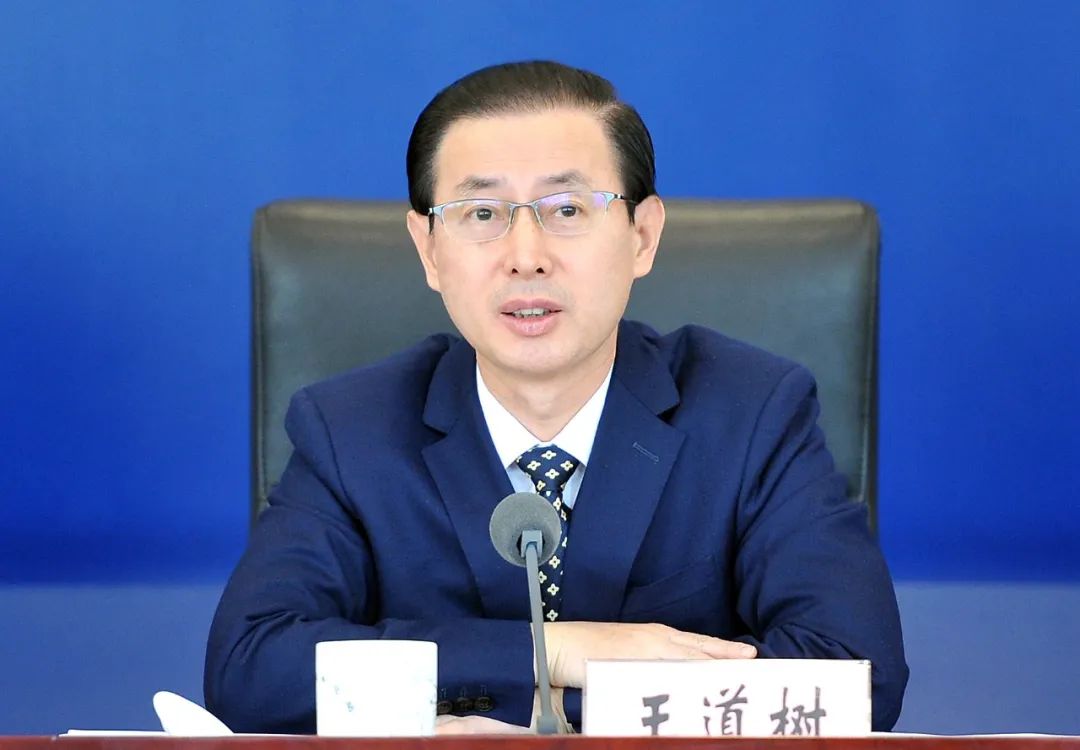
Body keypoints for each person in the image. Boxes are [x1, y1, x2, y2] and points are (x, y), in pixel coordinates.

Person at [204, 60, 908, 734]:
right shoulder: (349, 431)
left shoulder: (752, 413)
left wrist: (551, 714)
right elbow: (251, 668)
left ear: (642, 236)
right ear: (428, 249)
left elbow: (856, 673)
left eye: (567, 208)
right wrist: (556, 652)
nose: (526, 257)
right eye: (481, 213)